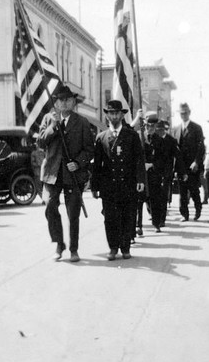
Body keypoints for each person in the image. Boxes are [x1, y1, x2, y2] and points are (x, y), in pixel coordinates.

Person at [38, 85, 94, 262]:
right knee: (50, 205)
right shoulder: (49, 119)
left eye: (68, 100)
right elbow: (40, 142)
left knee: (73, 212)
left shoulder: (82, 122)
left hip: (72, 174)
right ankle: (59, 243)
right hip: (52, 172)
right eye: (61, 100)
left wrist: (78, 163)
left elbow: (89, 150)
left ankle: (74, 249)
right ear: (56, 102)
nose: (65, 103)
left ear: (73, 102)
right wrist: (53, 127)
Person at [91, 100, 145, 260]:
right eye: (111, 113)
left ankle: (126, 247)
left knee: (128, 216)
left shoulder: (132, 136)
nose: (114, 116)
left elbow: (139, 159)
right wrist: (94, 186)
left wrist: (140, 179)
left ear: (122, 115)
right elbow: (97, 165)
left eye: (117, 113)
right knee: (110, 218)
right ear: (107, 116)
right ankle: (113, 248)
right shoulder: (101, 138)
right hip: (109, 186)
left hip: (128, 184)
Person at [173, 103, 205, 221]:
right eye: (181, 113)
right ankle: (184, 214)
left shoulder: (196, 128)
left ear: (189, 112)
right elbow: (174, 149)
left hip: (193, 166)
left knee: (194, 190)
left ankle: (198, 210)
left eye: (185, 113)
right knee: (182, 191)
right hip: (181, 166)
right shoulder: (176, 129)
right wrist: (175, 167)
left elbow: (201, 147)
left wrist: (196, 161)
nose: (183, 115)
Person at [137, 112, 166, 233]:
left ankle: (156, 223)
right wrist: (140, 165)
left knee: (155, 200)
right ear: (144, 125)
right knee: (138, 201)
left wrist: (152, 165)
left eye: (152, 127)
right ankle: (138, 226)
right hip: (141, 175)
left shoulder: (159, 140)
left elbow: (163, 159)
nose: (150, 129)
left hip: (154, 174)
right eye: (148, 126)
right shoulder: (139, 138)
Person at [155, 119, 187, 227]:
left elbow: (178, 157)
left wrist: (182, 172)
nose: (160, 131)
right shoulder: (153, 139)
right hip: (154, 171)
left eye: (162, 129)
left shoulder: (171, 141)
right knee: (154, 196)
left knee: (163, 196)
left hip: (166, 172)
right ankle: (155, 215)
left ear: (165, 130)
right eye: (158, 129)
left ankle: (161, 220)